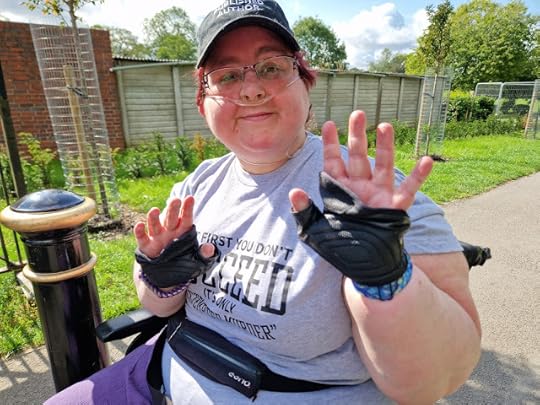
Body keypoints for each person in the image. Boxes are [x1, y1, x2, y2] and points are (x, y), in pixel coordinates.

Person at [46, 1, 481, 404]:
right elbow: (157, 305)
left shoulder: (374, 199)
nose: (251, 90)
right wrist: (162, 279)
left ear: (305, 82)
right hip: (169, 370)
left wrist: (386, 280)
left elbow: (433, 382)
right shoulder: (198, 185)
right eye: (227, 76)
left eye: (271, 67)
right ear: (203, 103)